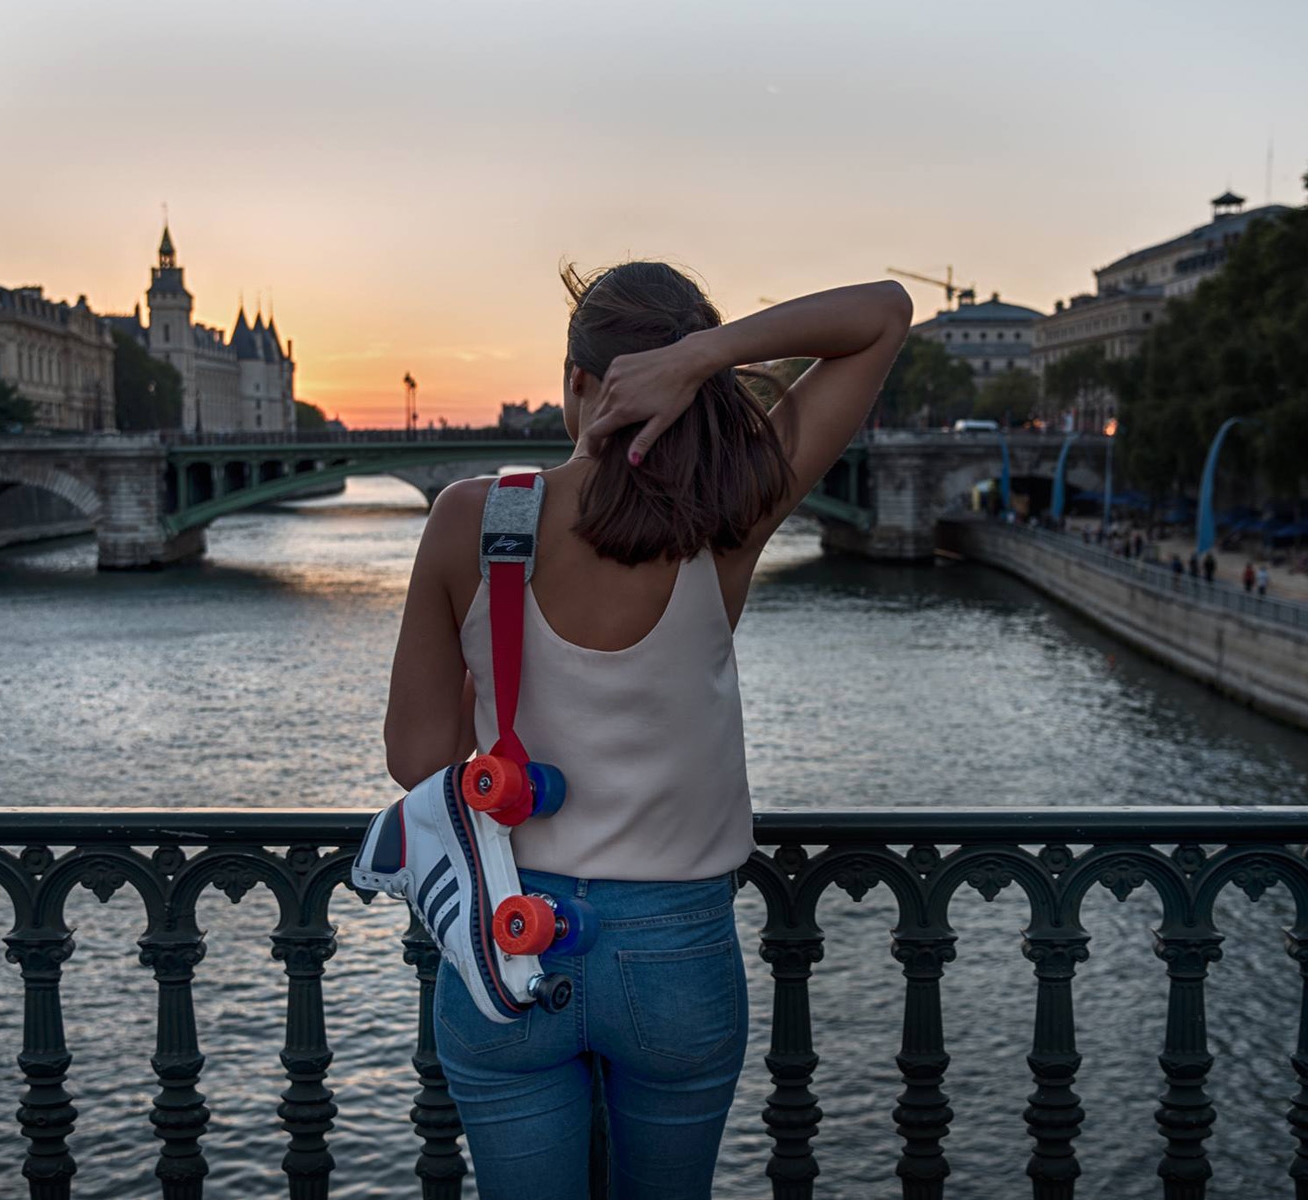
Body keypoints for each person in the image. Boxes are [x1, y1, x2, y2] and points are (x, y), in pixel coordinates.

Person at [381, 263, 913, 1199]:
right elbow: (884, 314)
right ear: (683, 386)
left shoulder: (472, 517)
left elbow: (420, 763)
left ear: (576, 383)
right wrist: (707, 357)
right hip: (676, 955)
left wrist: (493, 664)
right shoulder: (730, 517)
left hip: (509, 939)